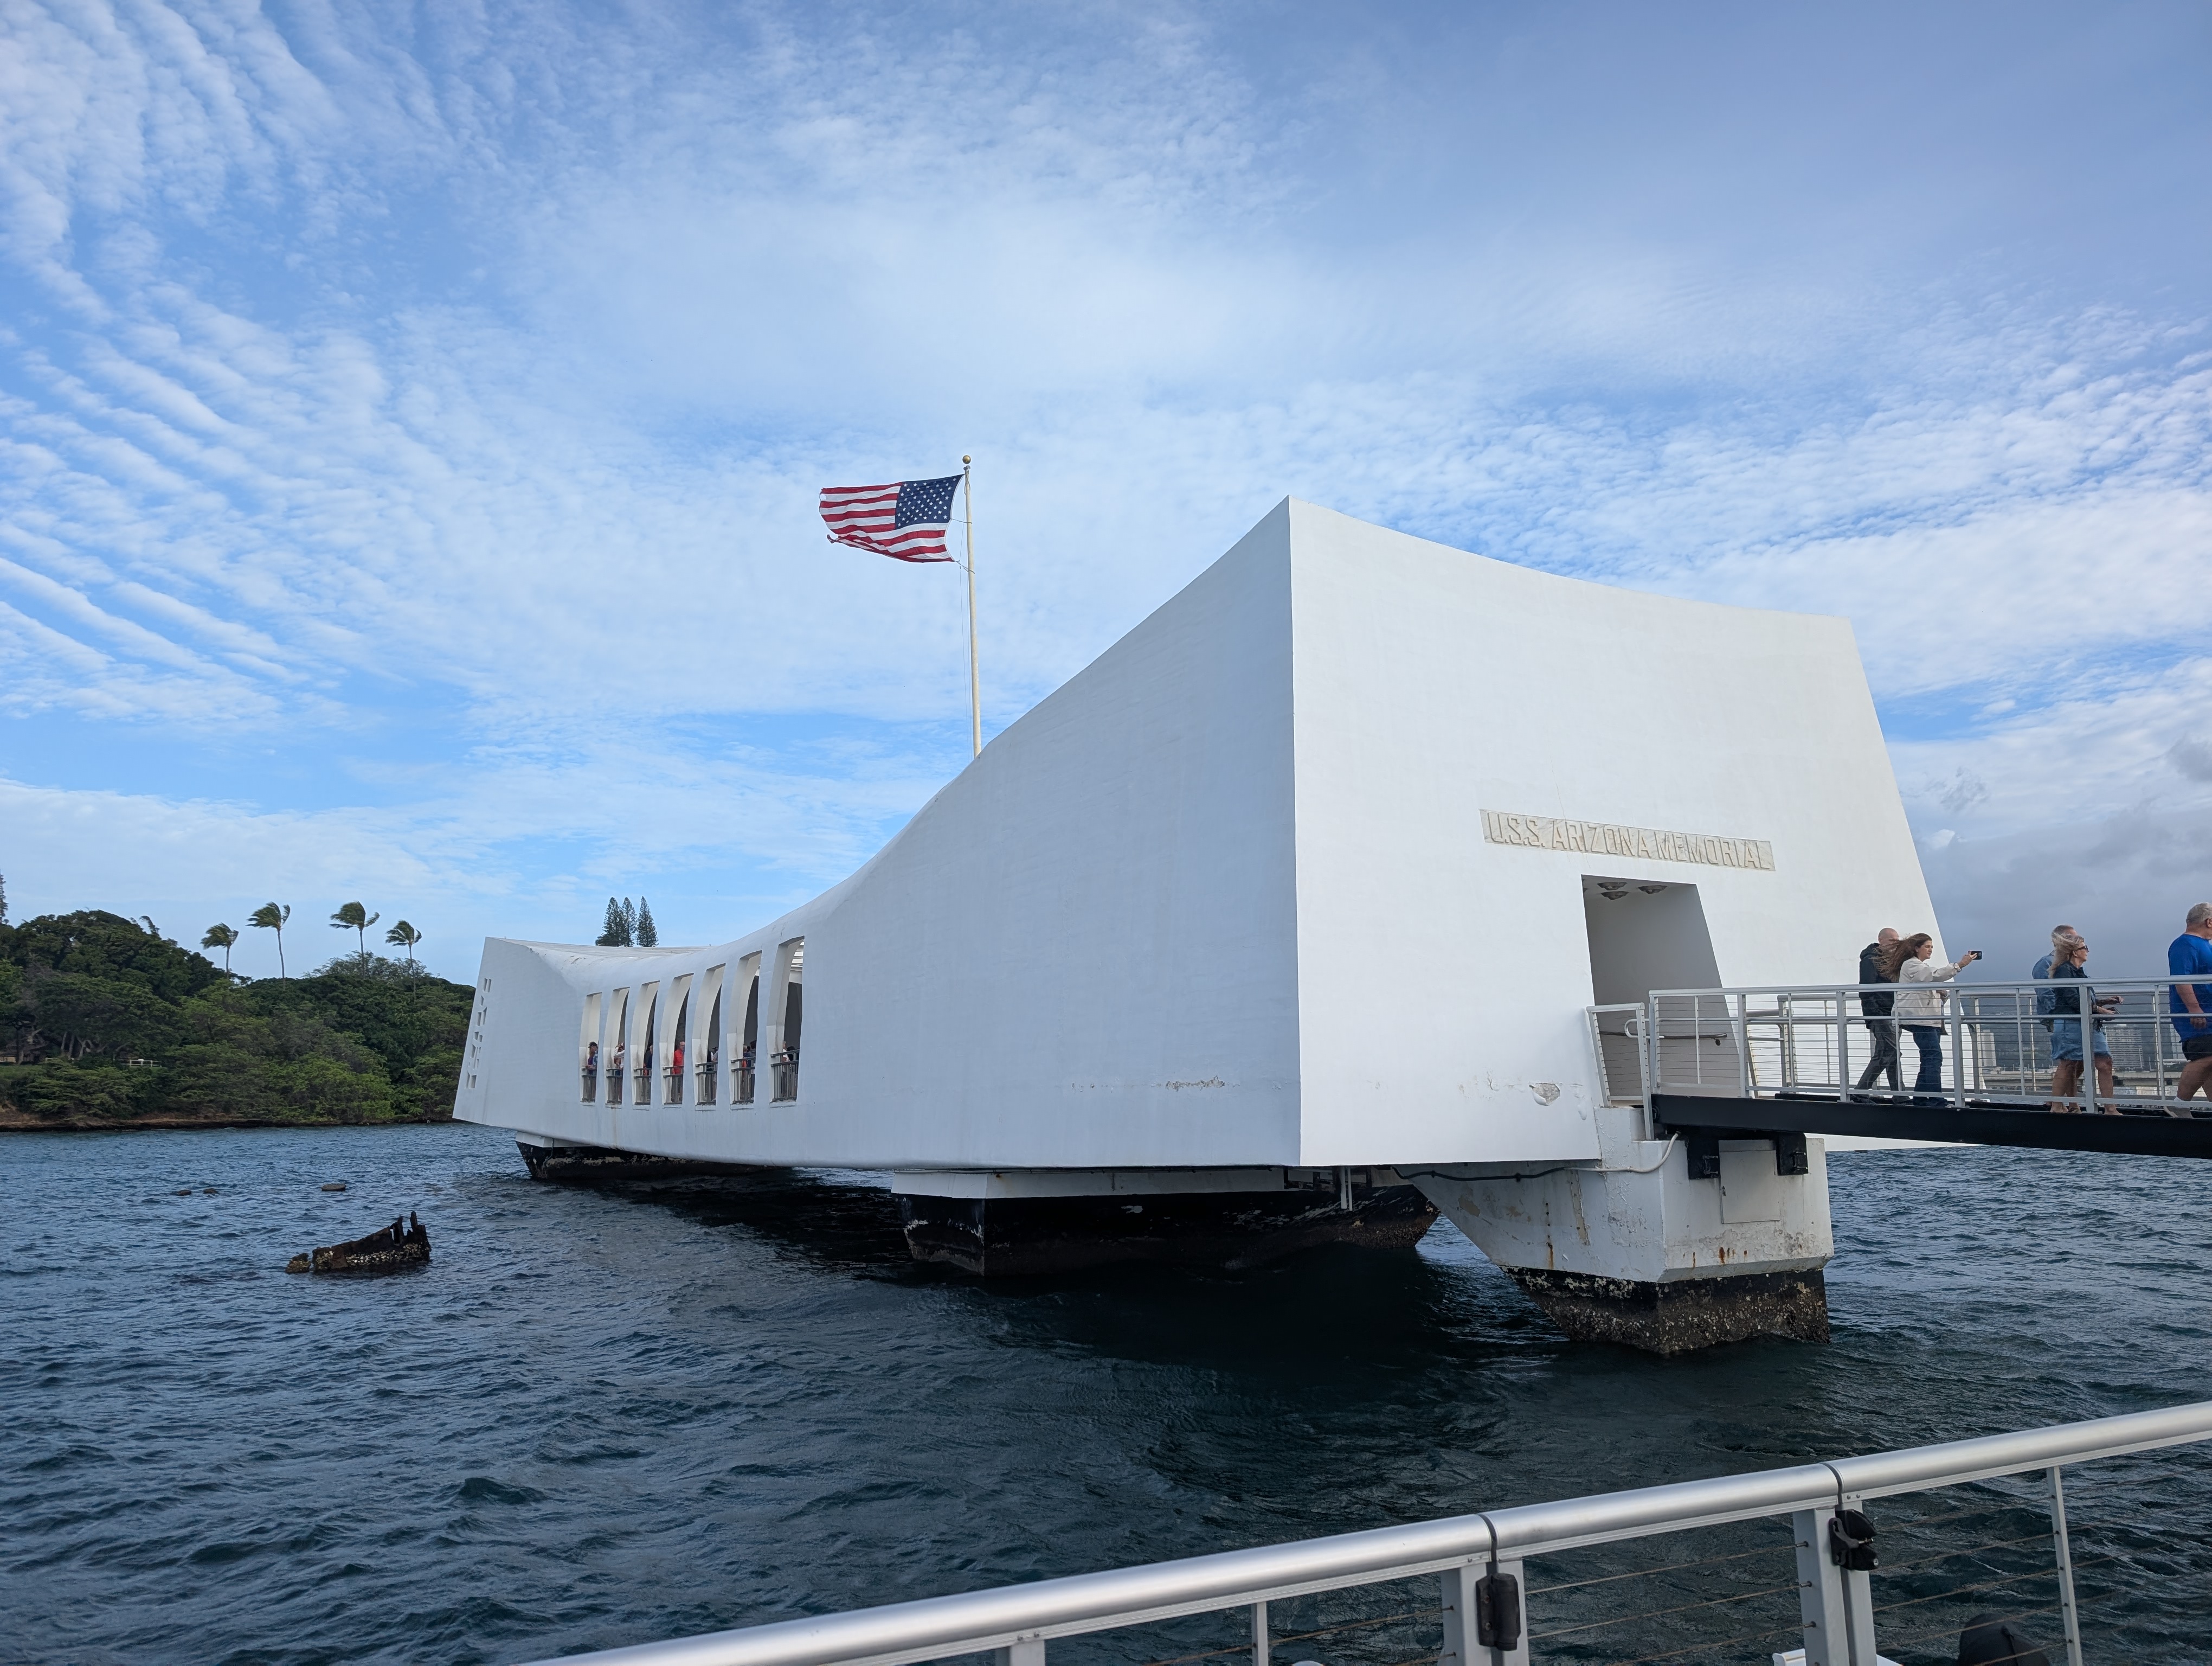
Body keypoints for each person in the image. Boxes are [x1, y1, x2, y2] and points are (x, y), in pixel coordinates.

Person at [1884, 933, 1981, 1098]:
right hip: (1922, 1019)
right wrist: (1959, 965)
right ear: (1917, 949)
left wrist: (1940, 992)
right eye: (1927, 947)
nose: (1930, 950)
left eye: (1932, 947)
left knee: (1930, 1058)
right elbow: (1933, 975)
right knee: (1933, 1058)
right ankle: (1933, 1099)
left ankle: (1923, 1098)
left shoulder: (1917, 967)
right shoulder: (1912, 965)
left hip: (1929, 1019)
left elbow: (1929, 980)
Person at [2047, 932, 2115, 1111]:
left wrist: (2103, 1002)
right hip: (2071, 1023)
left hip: (2088, 1023)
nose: (2087, 951)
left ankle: (2110, 1108)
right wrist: (2101, 1010)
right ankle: (2056, 1106)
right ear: (2075, 952)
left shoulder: (2079, 972)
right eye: (2084, 947)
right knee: (2068, 1063)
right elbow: (2073, 1001)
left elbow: (2083, 1000)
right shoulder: (2064, 971)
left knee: (2105, 1062)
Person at [2171, 903, 2212, 1102]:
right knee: (2205, 1057)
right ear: (2209, 922)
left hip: (2207, 1011)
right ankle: (2179, 1104)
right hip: (2198, 1014)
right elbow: (2181, 979)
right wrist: (2194, 1009)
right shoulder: (2184, 945)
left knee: (2209, 1062)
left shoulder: (2204, 945)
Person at [1855, 927, 1901, 1092]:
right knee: (1889, 1052)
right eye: (1892, 940)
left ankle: (1898, 1094)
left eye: (1897, 941)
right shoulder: (1870, 960)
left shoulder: (1891, 961)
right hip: (1881, 1014)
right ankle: (1861, 1091)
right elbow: (1866, 989)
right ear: (1881, 940)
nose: (1896, 944)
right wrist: (1875, 1013)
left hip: (1891, 1014)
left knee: (1890, 1054)